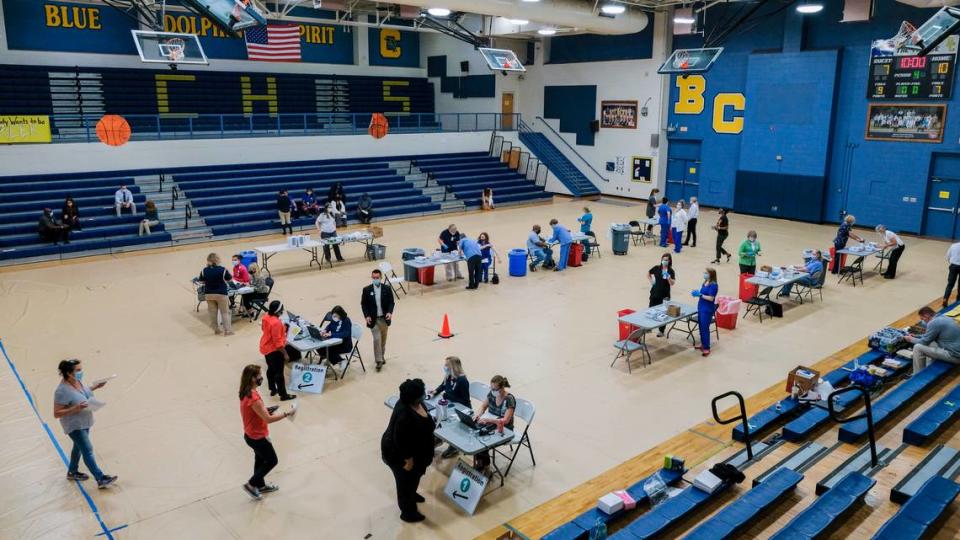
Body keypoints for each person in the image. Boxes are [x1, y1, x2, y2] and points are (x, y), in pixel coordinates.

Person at [53, 359, 118, 488]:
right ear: (68, 373)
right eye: (77, 370)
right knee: (87, 450)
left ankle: (72, 472)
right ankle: (100, 478)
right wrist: (74, 408)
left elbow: (81, 392)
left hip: (84, 421)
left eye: (80, 369)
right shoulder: (61, 391)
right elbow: (56, 413)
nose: (80, 372)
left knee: (78, 448)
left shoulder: (76, 381)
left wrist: (95, 387)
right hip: (75, 425)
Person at [381, 378, 435, 523]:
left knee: (413, 479)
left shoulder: (416, 403)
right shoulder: (404, 415)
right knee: (405, 483)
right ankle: (408, 512)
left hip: (418, 453)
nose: (424, 395)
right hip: (400, 456)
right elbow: (401, 442)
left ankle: (412, 493)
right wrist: (408, 461)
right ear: (415, 397)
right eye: (422, 393)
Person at [238, 364, 293, 501]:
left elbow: (256, 412)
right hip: (258, 437)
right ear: (252, 379)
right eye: (259, 376)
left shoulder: (246, 392)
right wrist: (286, 414)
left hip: (250, 434)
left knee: (260, 459)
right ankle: (251, 484)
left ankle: (260, 485)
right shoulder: (254, 398)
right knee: (272, 460)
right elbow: (267, 420)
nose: (261, 378)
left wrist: (266, 409)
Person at [429, 356, 470, 459]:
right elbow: (442, 386)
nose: (445, 367)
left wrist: (447, 396)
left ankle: (453, 447)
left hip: (461, 408)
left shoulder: (462, 380)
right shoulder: (449, 376)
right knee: (436, 417)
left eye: (447, 365)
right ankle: (437, 438)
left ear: (453, 367)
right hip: (450, 404)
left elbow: (464, 400)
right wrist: (436, 391)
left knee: (450, 424)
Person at [473, 375, 516, 474]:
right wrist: (478, 415)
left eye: (494, 389)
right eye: (491, 388)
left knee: (482, 442)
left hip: (504, 429)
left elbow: (505, 420)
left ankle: (487, 468)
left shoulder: (509, 399)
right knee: (476, 434)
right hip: (490, 423)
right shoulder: (492, 394)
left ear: (501, 388)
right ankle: (480, 463)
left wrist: (488, 420)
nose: (492, 391)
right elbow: (483, 406)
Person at [259, 300, 298, 401]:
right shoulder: (276, 323)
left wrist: (282, 328)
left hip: (265, 347)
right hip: (274, 350)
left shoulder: (266, 317)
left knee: (270, 369)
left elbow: (264, 329)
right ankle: (283, 395)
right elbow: (278, 343)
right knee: (279, 373)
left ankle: (272, 389)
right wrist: (285, 354)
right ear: (278, 311)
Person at [906, 306, 960, 374]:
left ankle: (917, 374)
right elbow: (929, 337)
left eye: (922, 318)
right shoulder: (944, 317)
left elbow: (924, 342)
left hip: (955, 356)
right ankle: (928, 366)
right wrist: (916, 336)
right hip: (957, 351)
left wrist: (910, 339)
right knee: (931, 342)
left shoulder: (933, 323)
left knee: (918, 347)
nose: (923, 321)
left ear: (927, 316)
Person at [361, 269, 394, 371]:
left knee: (383, 340)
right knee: (377, 339)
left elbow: (391, 302)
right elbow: (364, 304)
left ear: (381, 278)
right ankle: (378, 360)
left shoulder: (387, 289)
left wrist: (389, 312)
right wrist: (367, 316)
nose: (375, 279)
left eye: (377, 278)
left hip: (384, 319)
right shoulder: (367, 290)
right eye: (373, 278)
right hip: (374, 320)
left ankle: (382, 356)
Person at [199, 253, 233, 335]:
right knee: (224, 312)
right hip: (221, 294)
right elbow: (229, 278)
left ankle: (216, 330)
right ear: (217, 260)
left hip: (209, 294)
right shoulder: (223, 269)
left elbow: (201, 281)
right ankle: (227, 331)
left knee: (212, 313)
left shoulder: (204, 270)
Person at [691, 268, 719, 357]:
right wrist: (697, 293)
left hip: (707, 309)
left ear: (711, 274)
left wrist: (700, 295)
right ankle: (703, 344)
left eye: (706, 273)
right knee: (701, 327)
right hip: (701, 306)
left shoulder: (714, 285)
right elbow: (702, 293)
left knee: (705, 328)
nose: (704, 274)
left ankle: (706, 347)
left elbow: (711, 298)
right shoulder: (704, 282)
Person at [649, 253, 676, 337]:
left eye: (666, 260)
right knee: (651, 310)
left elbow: (672, 283)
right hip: (654, 293)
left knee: (663, 312)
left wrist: (669, 278)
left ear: (669, 261)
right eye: (663, 259)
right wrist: (651, 281)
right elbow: (648, 273)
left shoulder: (671, 271)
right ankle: (649, 327)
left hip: (665, 296)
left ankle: (661, 331)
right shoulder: (657, 268)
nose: (664, 261)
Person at [945, 241, 960, 308]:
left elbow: (947, 256)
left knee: (950, 284)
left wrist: (952, 262)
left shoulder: (953, 245)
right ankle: (958, 300)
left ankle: (945, 300)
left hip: (953, 266)